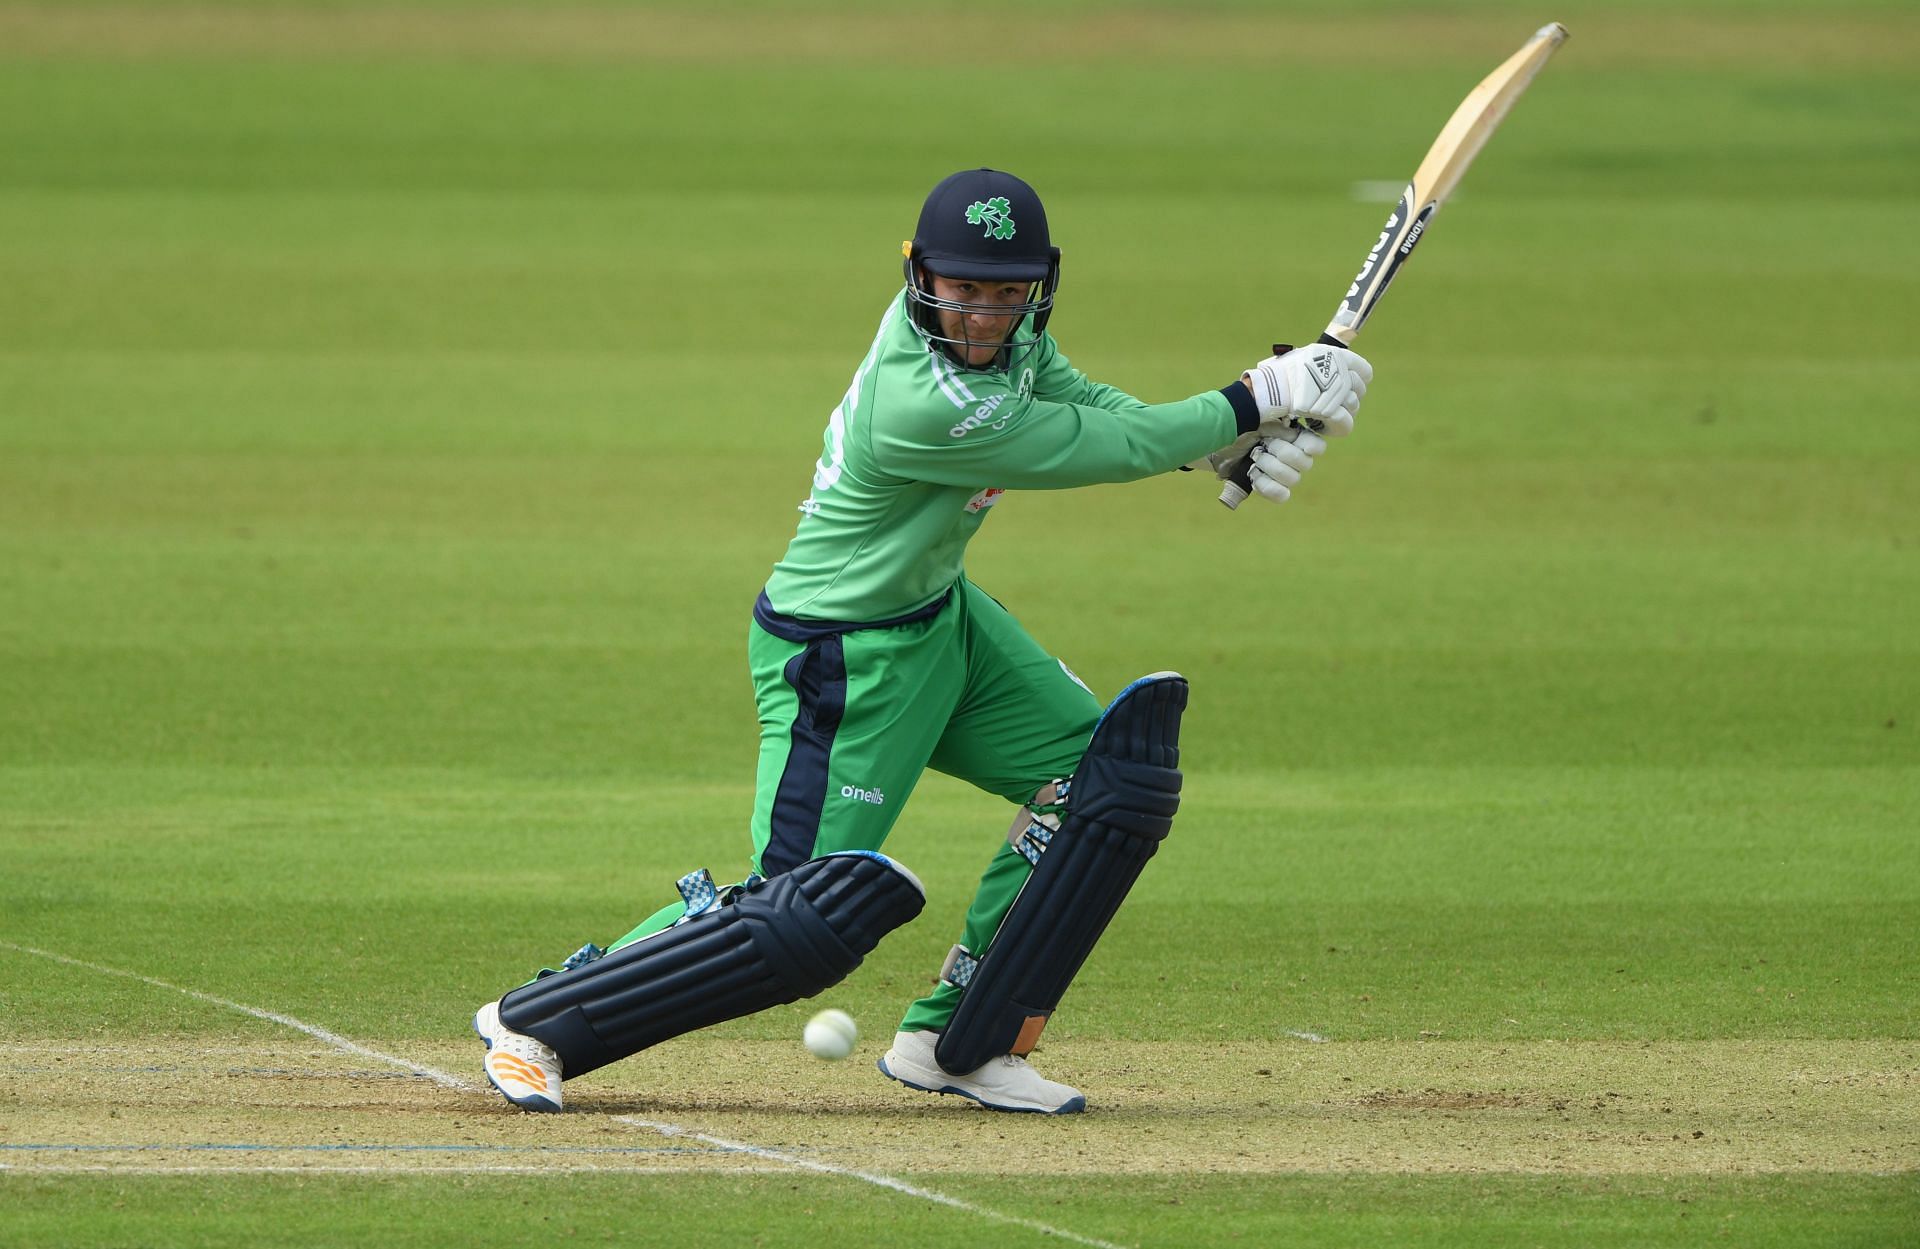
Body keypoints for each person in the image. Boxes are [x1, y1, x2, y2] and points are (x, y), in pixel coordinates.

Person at [471, 168, 1371, 1115]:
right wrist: (1256, 394)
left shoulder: (1013, 342)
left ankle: (961, 1037)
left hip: (942, 618)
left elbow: (1097, 412)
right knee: (793, 912)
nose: (986, 313)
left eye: (1008, 290)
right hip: (843, 655)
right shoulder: (922, 400)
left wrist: (1212, 444)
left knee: (1105, 781)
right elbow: (1098, 450)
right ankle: (539, 1017)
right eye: (964, 289)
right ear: (919, 274)